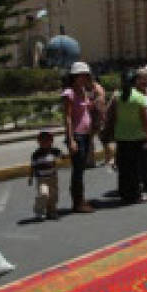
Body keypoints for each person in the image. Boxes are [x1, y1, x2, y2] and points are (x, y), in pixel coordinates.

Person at [113, 69, 147, 203]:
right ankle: (136, 194)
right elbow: (145, 120)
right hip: (136, 136)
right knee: (135, 168)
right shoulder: (139, 97)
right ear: (135, 82)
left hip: (121, 136)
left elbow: (115, 116)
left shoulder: (117, 96)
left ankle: (124, 193)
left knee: (124, 167)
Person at [61, 61, 95, 213]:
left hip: (86, 134)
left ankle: (80, 198)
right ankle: (77, 201)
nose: (83, 78)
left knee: (82, 168)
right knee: (78, 169)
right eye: (80, 76)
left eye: (85, 76)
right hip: (77, 135)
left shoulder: (83, 91)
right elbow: (67, 117)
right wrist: (71, 139)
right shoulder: (69, 93)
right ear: (74, 77)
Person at [28, 130, 61, 220]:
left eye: (47, 140)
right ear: (39, 142)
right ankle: (39, 210)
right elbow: (33, 166)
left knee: (53, 196)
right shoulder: (36, 154)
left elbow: (61, 157)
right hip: (41, 179)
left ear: (51, 141)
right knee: (44, 194)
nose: (44, 142)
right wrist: (30, 177)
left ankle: (51, 211)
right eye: (42, 140)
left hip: (53, 178)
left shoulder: (55, 151)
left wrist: (61, 159)